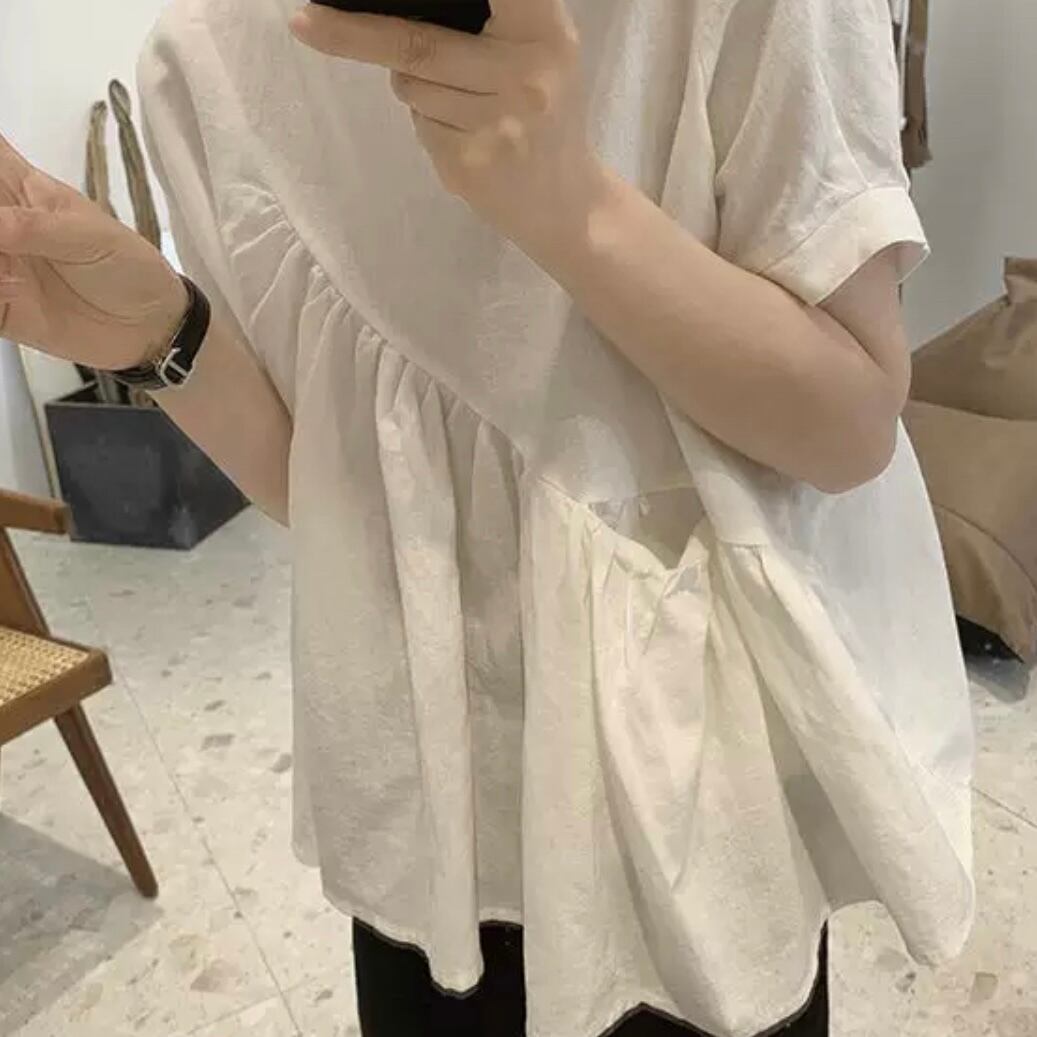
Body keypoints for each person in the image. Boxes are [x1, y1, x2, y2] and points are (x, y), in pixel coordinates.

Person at [0, 0, 975, 1034]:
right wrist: (162, 332)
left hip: (694, 806)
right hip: (431, 802)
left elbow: (847, 428)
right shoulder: (209, 58)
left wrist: (570, 202)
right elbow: (325, 491)